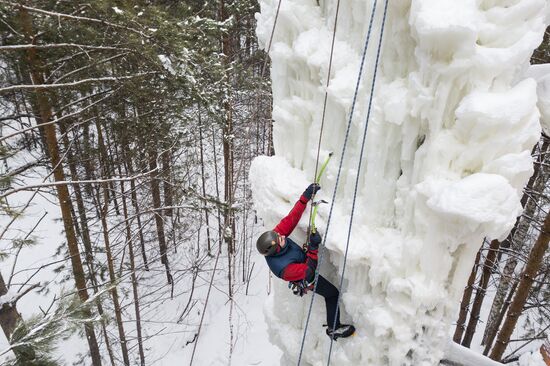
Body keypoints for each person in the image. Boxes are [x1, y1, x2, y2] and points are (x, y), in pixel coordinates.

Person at [256, 183, 355, 340]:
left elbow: (291, 219)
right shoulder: (284, 268)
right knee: (332, 294)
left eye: (279, 235)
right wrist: (313, 247)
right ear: (274, 249)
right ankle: (334, 328)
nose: (281, 235)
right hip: (305, 278)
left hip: (300, 260)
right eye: (279, 238)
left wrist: (305, 197)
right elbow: (308, 270)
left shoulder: (276, 238)